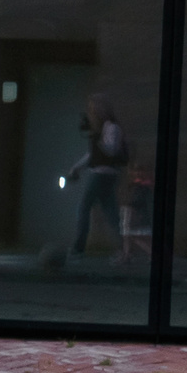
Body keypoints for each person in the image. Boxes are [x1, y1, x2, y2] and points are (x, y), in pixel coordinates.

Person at [65, 93, 128, 259]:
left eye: (95, 109)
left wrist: (97, 139)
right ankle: (124, 249)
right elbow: (92, 155)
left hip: (102, 174)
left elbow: (111, 150)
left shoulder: (112, 128)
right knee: (110, 212)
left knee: (84, 207)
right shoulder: (102, 129)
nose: (93, 112)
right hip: (104, 174)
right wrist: (76, 168)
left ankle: (78, 248)